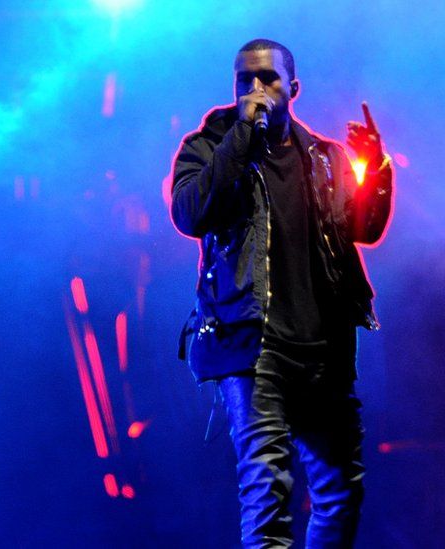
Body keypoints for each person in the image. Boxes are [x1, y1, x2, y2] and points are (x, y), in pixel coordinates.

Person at [170, 39, 393, 547]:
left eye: (268, 79)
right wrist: (241, 138)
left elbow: (364, 229)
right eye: (244, 79)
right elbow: (190, 214)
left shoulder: (323, 157)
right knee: (267, 494)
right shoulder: (209, 146)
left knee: (340, 493)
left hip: (324, 350)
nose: (256, 89)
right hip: (250, 347)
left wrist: (376, 170)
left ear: (292, 88)